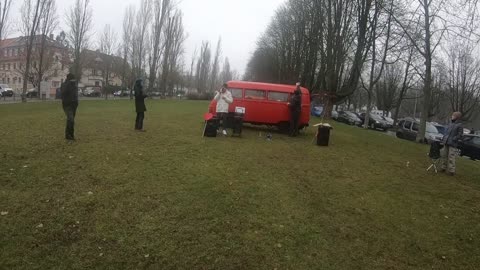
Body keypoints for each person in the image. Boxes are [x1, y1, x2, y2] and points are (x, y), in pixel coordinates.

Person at [440, 112, 464, 176]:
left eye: (453, 115)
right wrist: (443, 139)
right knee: (444, 155)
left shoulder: (460, 125)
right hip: (446, 142)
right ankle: (443, 167)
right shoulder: (450, 123)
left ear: (457, 117)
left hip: (453, 143)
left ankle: (451, 170)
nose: (452, 116)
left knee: (451, 157)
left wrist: (454, 138)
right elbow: (446, 133)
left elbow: (460, 135)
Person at [61, 73, 79, 141]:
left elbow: (75, 94)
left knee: (71, 120)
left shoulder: (74, 85)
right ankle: (69, 135)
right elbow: (63, 92)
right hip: (67, 105)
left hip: (74, 105)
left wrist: (76, 102)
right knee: (70, 120)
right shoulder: (64, 84)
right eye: (72, 79)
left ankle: (70, 135)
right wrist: (68, 84)